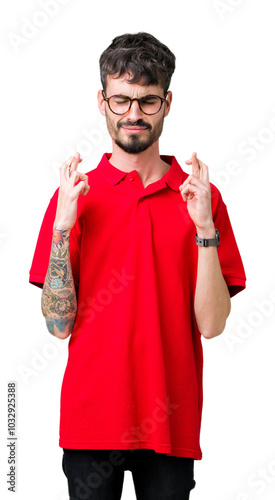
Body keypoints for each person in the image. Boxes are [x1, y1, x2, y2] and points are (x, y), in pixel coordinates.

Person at [29, 32, 246, 500]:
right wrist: (64, 227)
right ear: (102, 102)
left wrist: (203, 225)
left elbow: (211, 325)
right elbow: (57, 325)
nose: (133, 114)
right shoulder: (74, 196)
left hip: (171, 425)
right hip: (91, 423)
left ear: (167, 103)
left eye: (147, 102)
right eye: (121, 99)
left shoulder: (200, 200)